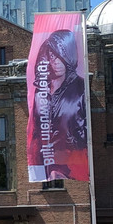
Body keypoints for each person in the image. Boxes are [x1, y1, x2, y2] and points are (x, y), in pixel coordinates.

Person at [28, 29, 88, 181]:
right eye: (52, 55)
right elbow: (35, 133)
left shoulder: (81, 88)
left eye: (60, 55)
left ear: (69, 55)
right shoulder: (40, 92)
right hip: (45, 168)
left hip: (74, 169)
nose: (55, 61)